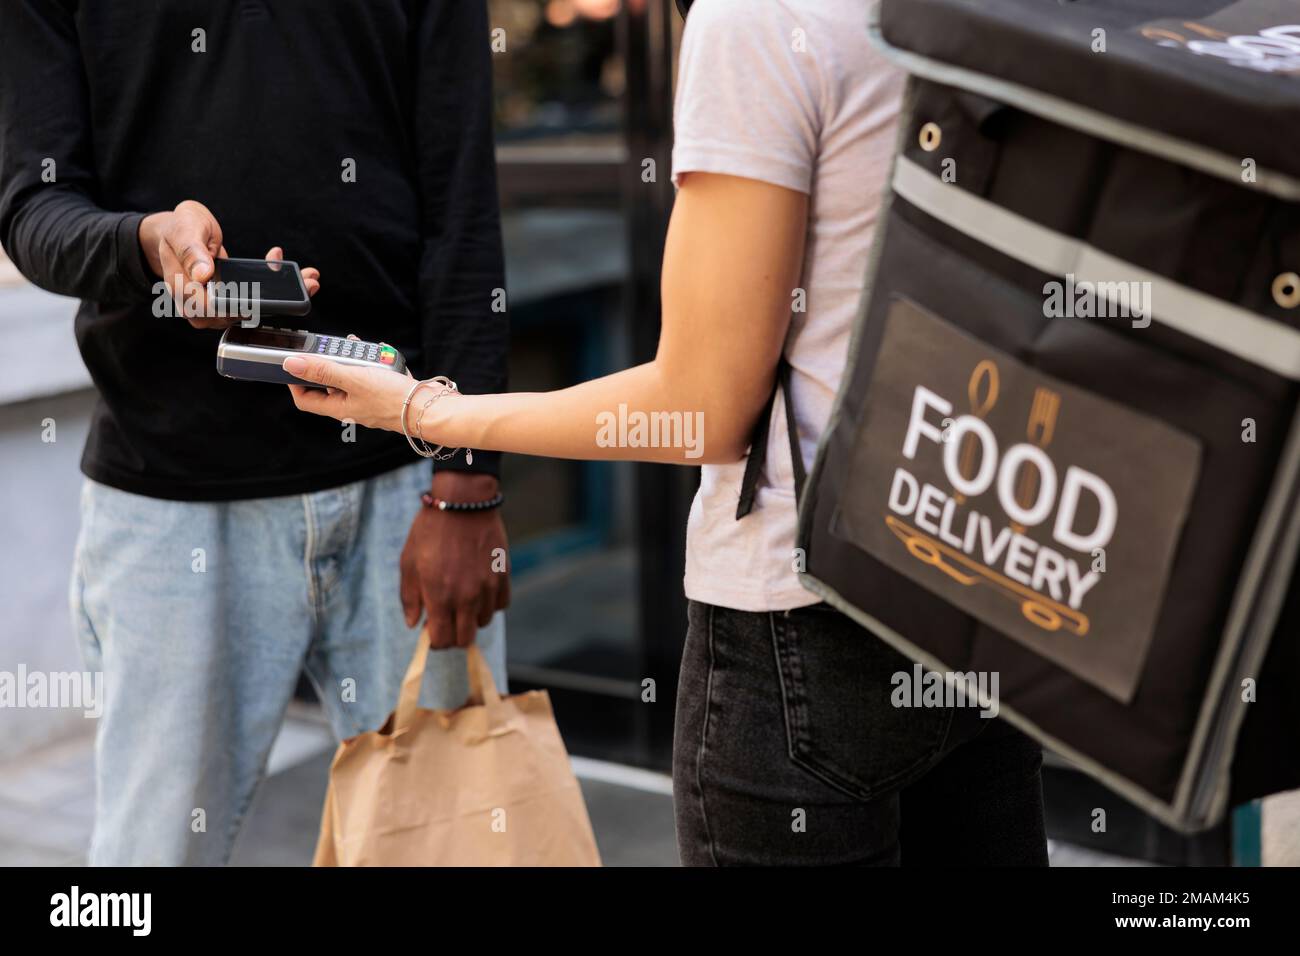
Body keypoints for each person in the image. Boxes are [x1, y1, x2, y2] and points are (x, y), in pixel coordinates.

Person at [282, 0, 1049, 865]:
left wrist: (423, 412)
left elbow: (703, 407)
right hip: (978, 569)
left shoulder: (759, 21)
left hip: (806, 617)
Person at [0, 0, 509, 865]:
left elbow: (462, 204)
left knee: (446, 848)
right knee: (146, 864)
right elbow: (33, 206)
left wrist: (465, 479)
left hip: (407, 480)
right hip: (169, 500)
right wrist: (147, 244)